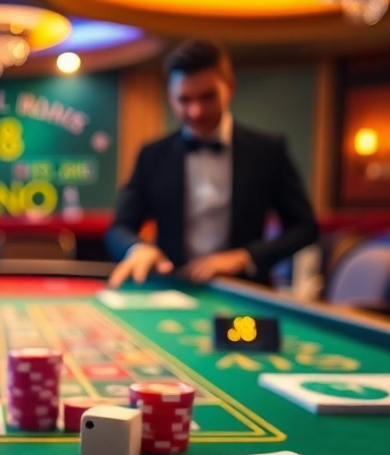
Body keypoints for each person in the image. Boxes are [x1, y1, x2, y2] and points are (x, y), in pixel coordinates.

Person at [107, 40, 318, 287]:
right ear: (170, 96)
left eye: (207, 97)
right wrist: (137, 248)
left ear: (230, 87)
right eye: (184, 99)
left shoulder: (268, 150)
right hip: (172, 288)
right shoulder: (152, 155)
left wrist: (245, 257)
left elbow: (304, 228)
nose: (196, 111)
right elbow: (119, 228)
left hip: (244, 289)